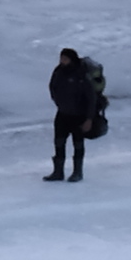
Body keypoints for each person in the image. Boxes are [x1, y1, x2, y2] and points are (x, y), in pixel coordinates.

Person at [48, 46, 106, 182]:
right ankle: (58, 172)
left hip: (79, 115)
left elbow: (91, 98)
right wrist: (59, 102)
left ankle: (77, 172)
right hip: (63, 113)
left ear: (72, 59)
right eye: (61, 58)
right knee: (59, 142)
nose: (62, 61)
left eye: (65, 58)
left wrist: (89, 119)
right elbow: (52, 87)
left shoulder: (81, 74)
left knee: (78, 144)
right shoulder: (58, 71)